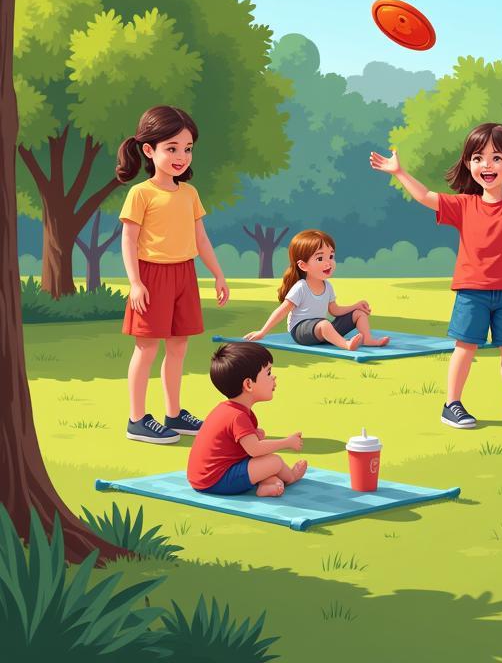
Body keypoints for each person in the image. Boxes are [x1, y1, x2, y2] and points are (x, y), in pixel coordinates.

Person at [370, 116, 502, 429]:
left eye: (497, 158)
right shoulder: (464, 205)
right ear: (468, 164)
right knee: (465, 347)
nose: (487, 165)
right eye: (478, 158)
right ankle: (451, 404)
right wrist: (399, 172)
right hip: (472, 292)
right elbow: (426, 196)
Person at [117, 105, 229, 445]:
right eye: (172, 148)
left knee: (178, 347)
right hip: (152, 276)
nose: (181, 156)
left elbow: (201, 239)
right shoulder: (141, 193)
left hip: (185, 274)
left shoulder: (190, 194)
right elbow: (129, 239)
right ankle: (137, 419)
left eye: (188, 148)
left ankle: (174, 413)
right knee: (147, 348)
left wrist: (218, 275)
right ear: (149, 150)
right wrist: (135, 282)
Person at [187, 342, 307, 498]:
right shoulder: (238, 416)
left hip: (206, 475)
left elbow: (236, 443)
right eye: (268, 373)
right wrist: (287, 442)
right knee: (274, 462)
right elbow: (255, 449)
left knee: (264, 462)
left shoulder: (229, 409)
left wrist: (255, 434)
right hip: (215, 480)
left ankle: (267, 484)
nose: (274, 377)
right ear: (249, 384)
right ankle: (290, 477)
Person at [244, 229, 388, 350]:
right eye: (320, 258)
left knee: (358, 313)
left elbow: (335, 311)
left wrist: (356, 306)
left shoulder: (328, 286)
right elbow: (282, 310)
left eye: (331, 256)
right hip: (301, 333)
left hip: (320, 330)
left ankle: (368, 339)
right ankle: (345, 344)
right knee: (324, 324)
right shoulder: (301, 287)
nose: (328, 263)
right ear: (303, 266)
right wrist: (263, 332)